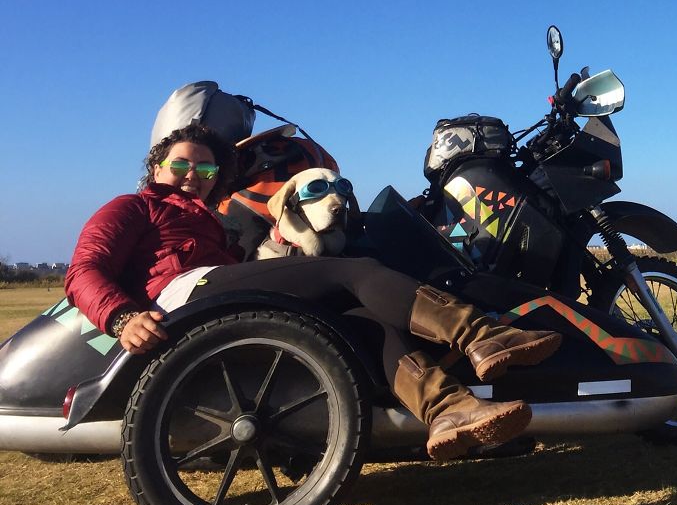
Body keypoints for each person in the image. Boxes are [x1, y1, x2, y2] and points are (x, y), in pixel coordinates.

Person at [65, 124, 562, 460]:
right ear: (156, 167)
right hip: (185, 298)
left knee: (362, 319)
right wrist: (122, 316)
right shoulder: (133, 207)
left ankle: (447, 410)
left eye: (207, 168)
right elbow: (84, 270)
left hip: (221, 300)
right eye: (180, 165)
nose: (193, 175)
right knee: (353, 270)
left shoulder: (214, 225)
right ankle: (479, 334)